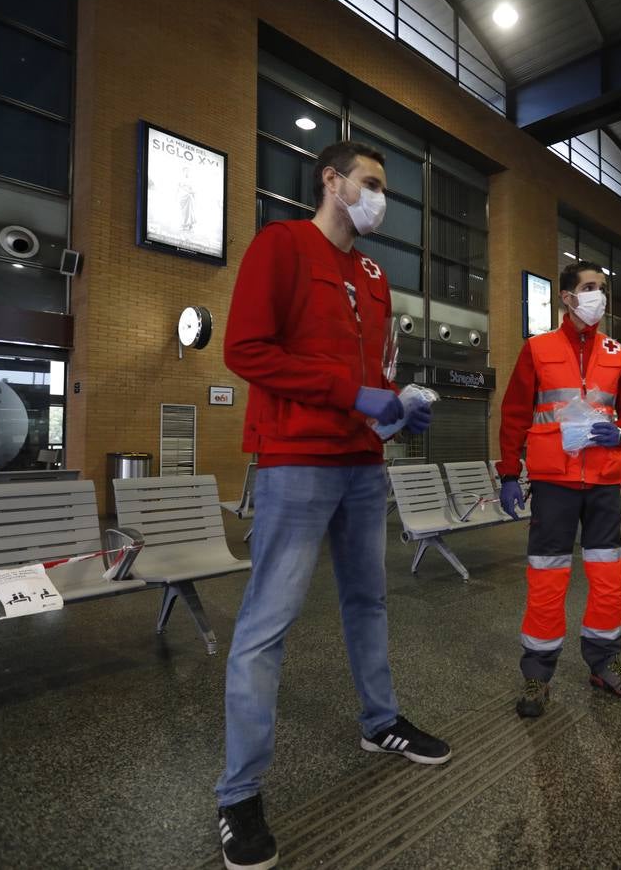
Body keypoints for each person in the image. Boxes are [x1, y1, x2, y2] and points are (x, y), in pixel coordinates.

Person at [216, 141, 449, 870]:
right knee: (267, 622)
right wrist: (351, 394)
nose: (380, 197)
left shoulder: (374, 275)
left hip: (360, 461)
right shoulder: (280, 247)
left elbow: (373, 369)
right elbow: (246, 351)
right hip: (297, 461)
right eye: (371, 183)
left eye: (386, 187)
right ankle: (239, 793)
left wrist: (396, 406)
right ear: (332, 181)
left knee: (369, 602)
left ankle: (380, 723)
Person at [497, 260, 621, 718]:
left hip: (603, 481)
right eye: (588, 288)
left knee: (608, 579)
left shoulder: (618, 353)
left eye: (602, 288)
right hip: (554, 484)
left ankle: (604, 664)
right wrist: (508, 474)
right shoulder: (537, 349)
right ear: (566, 297)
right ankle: (538, 673)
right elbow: (513, 415)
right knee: (547, 577)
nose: (597, 296)